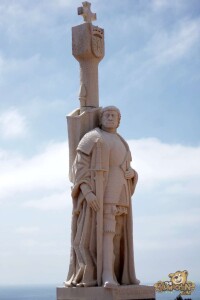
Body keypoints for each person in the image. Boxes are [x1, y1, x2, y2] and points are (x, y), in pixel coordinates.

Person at [65, 106, 139, 288]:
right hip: (103, 192)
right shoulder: (92, 137)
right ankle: (106, 274)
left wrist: (133, 174)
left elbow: (127, 167)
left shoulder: (122, 141)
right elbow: (79, 168)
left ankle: (119, 273)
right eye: (107, 114)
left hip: (122, 192)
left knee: (118, 234)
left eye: (114, 115)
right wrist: (88, 192)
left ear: (119, 120)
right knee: (106, 232)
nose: (111, 118)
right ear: (101, 118)